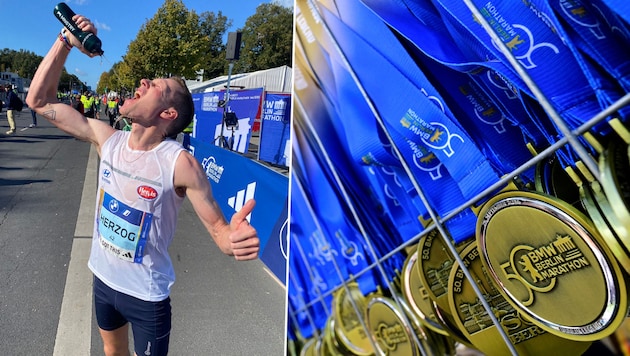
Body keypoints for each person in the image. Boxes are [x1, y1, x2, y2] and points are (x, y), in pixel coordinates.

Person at [27, 15, 260, 356]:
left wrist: (232, 242)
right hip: (103, 282)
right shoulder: (107, 139)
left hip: (147, 296)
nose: (143, 81)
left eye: (156, 86)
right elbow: (39, 101)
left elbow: (219, 230)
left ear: (167, 114)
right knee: (112, 352)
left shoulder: (181, 164)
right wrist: (65, 42)